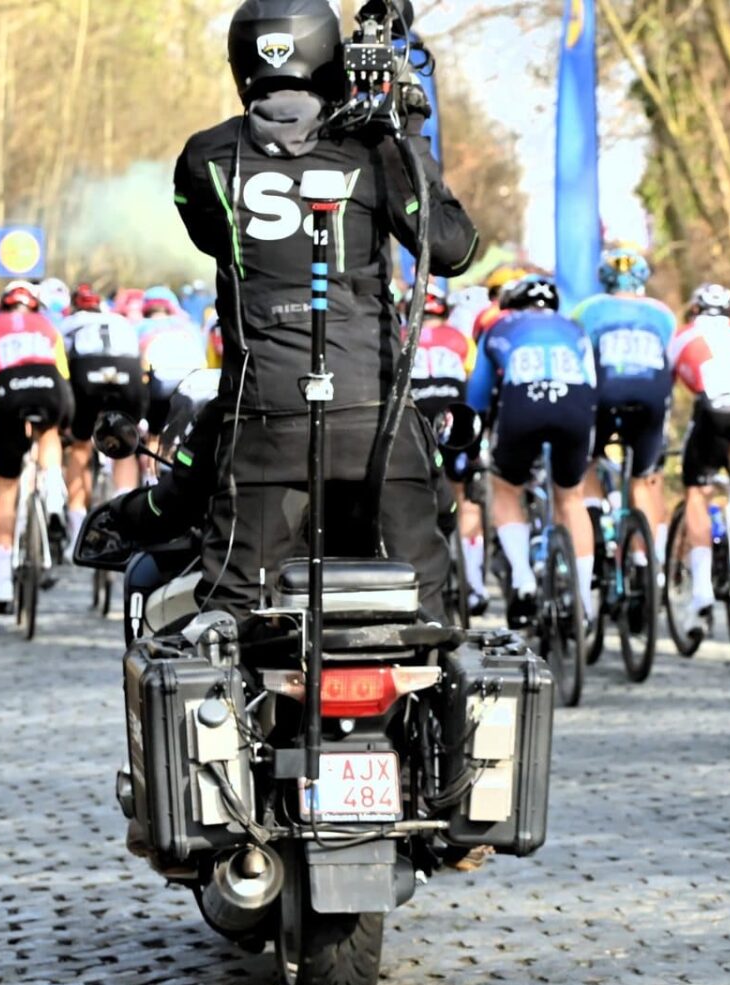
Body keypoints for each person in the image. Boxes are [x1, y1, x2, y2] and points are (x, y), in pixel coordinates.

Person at [170, 0, 479, 624]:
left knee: (231, 617)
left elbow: (211, 236)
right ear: (331, 59)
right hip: (375, 422)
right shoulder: (374, 149)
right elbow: (452, 248)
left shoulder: (205, 158)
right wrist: (407, 133)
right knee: (428, 613)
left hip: (262, 423)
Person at [468, 275, 596, 627]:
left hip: (524, 401)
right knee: (572, 498)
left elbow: (478, 395)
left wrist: (476, 436)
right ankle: (584, 602)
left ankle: (523, 577)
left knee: (505, 487)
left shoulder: (498, 327)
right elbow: (592, 385)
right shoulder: (574, 328)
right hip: (575, 403)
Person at [569, 248, 678, 561]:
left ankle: (593, 525)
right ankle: (646, 559)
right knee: (642, 479)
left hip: (604, 395)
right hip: (653, 396)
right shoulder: (662, 313)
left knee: (588, 461)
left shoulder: (587, 310)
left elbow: (578, 358)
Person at [0, 283, 72, 612]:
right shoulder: (47, 326)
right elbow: (63, 377)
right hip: (48, 385)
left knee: (7, 486)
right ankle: (54, 494)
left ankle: (1, 582)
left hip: (8, 390)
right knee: (49, 432)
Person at [669, 283, 730, 639]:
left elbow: (665, 390)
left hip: (714, 406)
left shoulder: (684, 335)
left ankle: (702, 587)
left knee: (696, 491)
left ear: (694, 312)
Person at [407, 280, 486, 614]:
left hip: (417, 416)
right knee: (465, 495)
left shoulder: (400, 338)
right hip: (455, 415)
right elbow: (471, 381)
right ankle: (476, 587)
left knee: (413, 488)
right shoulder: (460, 340)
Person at [60, 283, 146, 552]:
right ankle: (125, 516)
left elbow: (60, 369)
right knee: (127, 447)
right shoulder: (119, 321)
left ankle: (77, 529)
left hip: (87, 375)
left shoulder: (67, 324)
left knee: (80, 444)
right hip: (127, 375)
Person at [136, 286, 211, 433]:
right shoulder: (190, 326)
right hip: (195, 386)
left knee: (155, 435)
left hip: (159, 387)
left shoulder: (140, 327)